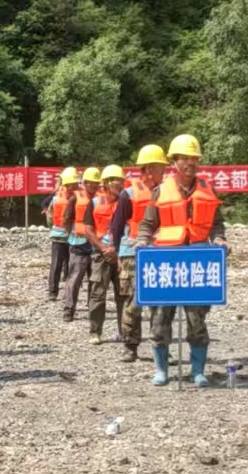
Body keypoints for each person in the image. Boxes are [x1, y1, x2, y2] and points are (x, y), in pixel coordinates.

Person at [134, 135, 228, 388]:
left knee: (197, 320)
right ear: (174, 162)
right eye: (184, 158)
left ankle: (197, 371)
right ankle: (161, 369)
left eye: (194, 158)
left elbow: (217, 225)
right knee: (160, 318)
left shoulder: (208, 190)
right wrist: (142, 241)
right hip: (167, 260)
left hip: (197, 262)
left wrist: (220, 239)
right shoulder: (160, 191)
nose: (190, 163)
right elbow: (147, 224)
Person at [109, 144, 167, 362]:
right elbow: (117, 226)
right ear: (149, 168)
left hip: (159, 252)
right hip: (133, 254)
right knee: (133, 302)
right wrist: (116, 255)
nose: (164, 171)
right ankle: (130, 346)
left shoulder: (167, 192)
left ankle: (160, 346)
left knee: (159, 303)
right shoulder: (129, 193)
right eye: (161, 166)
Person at [87, 165, 125, 345]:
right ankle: (95, 332)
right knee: (97, 294)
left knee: (123, 294)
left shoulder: (126, 202)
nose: (119, 184)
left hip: (121, 254)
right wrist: (103, 248)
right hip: (100, 255)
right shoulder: (94, 203)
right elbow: (88, 230)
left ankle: (125, 332)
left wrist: (117, 250)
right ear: (107, 183)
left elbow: (131, 228)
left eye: (121, 181)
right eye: (116, 180)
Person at [63, 167, 101, 322]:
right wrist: (70, 235)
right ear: (84, 183)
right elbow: (66, 219)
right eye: (90, 182)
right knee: (74, 279)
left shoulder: (101, 199)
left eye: (96, 182)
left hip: (96, 244)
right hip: (79, 244)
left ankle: (93, 309)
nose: (93, 185)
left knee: (95, 280)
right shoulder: (75, 198)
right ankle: (69, 310)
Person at [46, 167, 78, 301]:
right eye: (70, 185)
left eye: (73, 185)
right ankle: (53, 292)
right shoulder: (57, 199)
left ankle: (65, 292)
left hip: (72, 237)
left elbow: (49, 218)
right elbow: (50, 217)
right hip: (60, 237)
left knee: (69, 266)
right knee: (58, 265)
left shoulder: (77, 199)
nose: (71, 187)